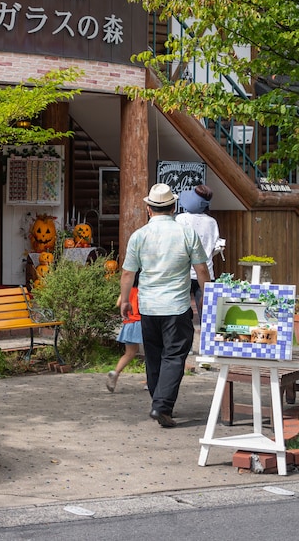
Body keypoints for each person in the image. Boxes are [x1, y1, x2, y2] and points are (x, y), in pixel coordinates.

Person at [119, 183, 210, 428]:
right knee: (174, 356)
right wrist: (208, 294)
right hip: (176, 307)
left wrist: (125, 300)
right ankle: (162, 405)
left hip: (148, 307)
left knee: (154, 356)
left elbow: (128, 274)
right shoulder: (186, 233)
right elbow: (201, 269)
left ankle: (159, 402)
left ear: (149, 209)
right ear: (173, 207)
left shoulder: (139, 236)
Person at [174, 184, 221, 318]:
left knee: (180, 312)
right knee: (205, 314)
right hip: (206, 272)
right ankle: (205, 338)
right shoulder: (212, 222)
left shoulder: (180, 219)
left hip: (183, 272)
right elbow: (215, 245)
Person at [108, 271, 141, 393]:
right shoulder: (143, 291)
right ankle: (150, 382)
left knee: (129, 353)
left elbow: (118, 303)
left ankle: (115, 372)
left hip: (129, 323)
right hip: (142, 322)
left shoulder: (127, 291)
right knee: (151, 353)